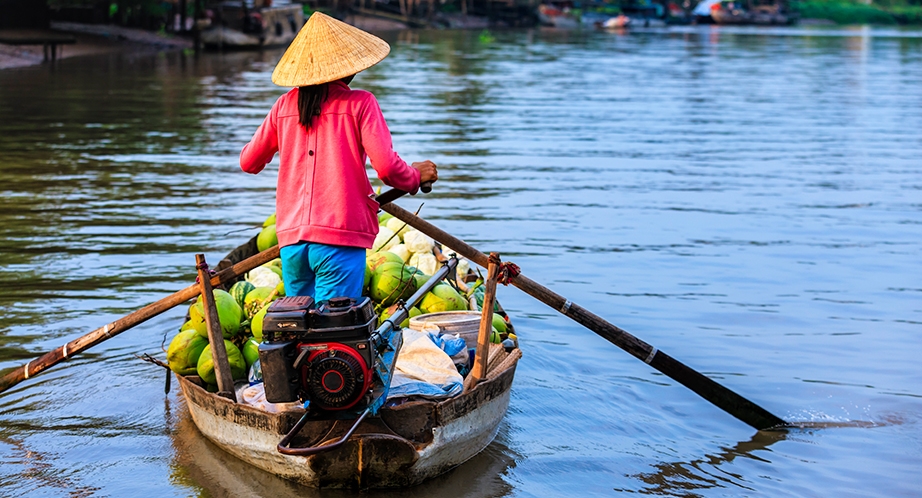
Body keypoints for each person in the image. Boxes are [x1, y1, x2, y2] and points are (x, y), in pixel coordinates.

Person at [239, 12, 438, 303]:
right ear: (350, 68)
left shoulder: (284, 106)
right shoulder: (360, 103)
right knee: (333, 336)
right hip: (339, 240)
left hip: (293, 244)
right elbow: (386, 168)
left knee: (303, 330)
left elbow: (248, 161)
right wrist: (415, 175)